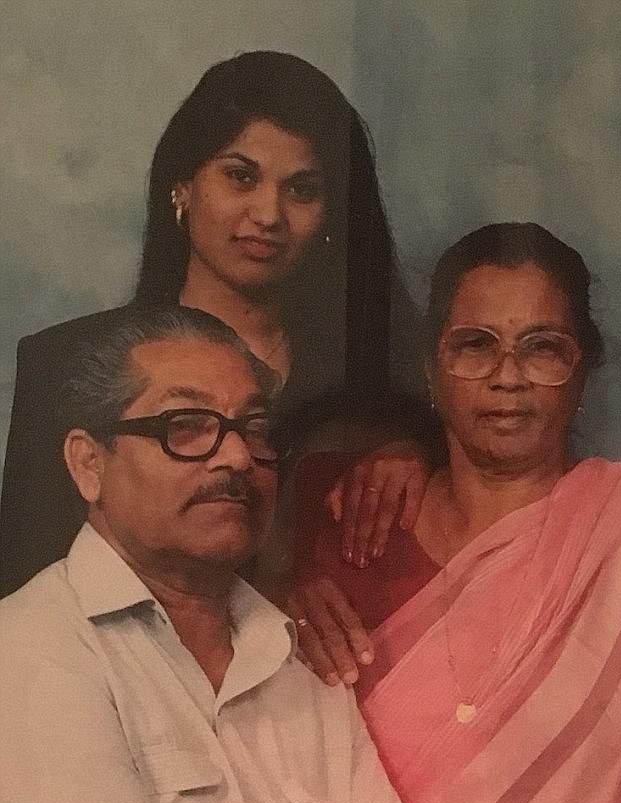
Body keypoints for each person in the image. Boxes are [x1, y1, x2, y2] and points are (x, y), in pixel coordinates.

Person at [0, 50, 430, 598]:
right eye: (240, 176)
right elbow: (21, 596)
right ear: (182, 186)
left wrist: (414, 455)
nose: (269, 214)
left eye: (302, 189)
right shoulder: (65, 362)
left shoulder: (371, 383)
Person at [0, 306, 430, 803]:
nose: (236, 456)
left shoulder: (298, 654)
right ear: (90, 464)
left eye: (253, 429)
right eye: (184, 426)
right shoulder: (30, 647)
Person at [289, 223, 621, 803]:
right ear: (431, 371)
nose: (508, 376)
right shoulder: (351, 519)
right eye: (475, 345)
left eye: (543, 348)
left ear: (583, 375)